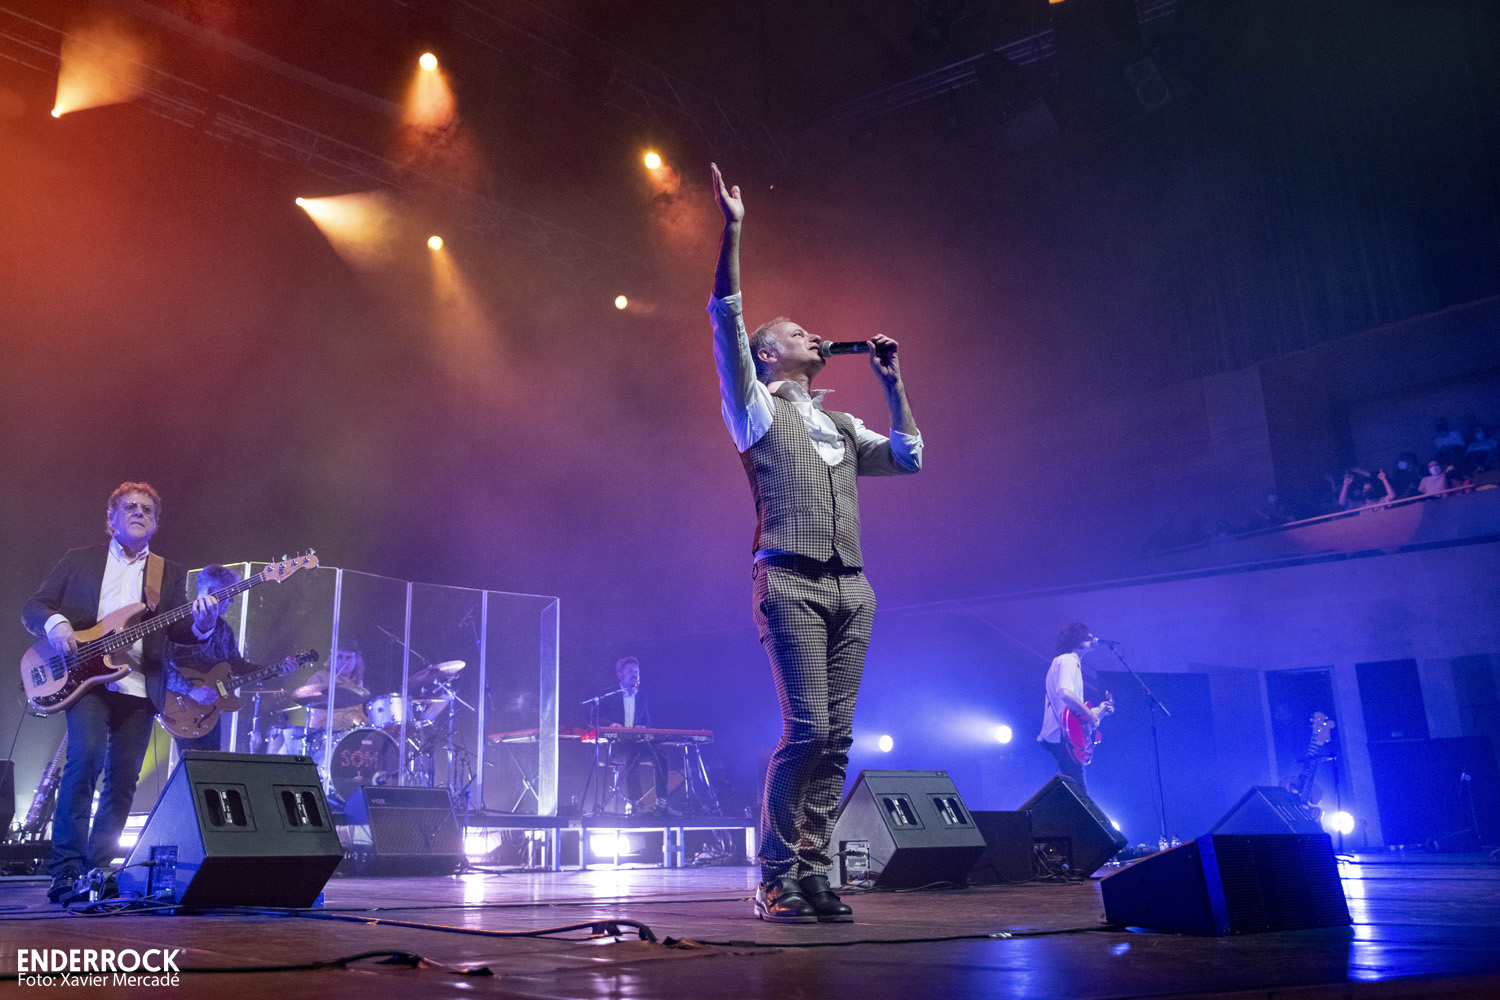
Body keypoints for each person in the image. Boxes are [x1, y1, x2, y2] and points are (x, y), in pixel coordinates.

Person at [708, 163, 924, 924]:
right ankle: (775, 875)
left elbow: (909, 457)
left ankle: (813, 870)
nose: (813, 337)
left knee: (837, 740)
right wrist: (735, 229)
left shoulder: (840, 423)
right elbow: (725, 315)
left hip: (852, 589)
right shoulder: (754, 407)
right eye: (797, 332)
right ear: (768, 355)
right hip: (789, 581)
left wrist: (893, 384)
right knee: (805, 731)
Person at [21, 483, 218, 904]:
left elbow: (178, 629)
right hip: (83, 680)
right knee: (85, 762)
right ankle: (65, 870)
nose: (138, 512)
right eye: (129, 506)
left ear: (156, 522)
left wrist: (203, 624)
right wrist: (57, 624)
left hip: (139, 684)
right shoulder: (80, 560)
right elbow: (33, 608)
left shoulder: (168, 572)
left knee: (123, 781)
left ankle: (98, 868)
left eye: (147, 509)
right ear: (111, 518)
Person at [163, 564, 281, 754]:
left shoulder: (223, 628)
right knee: (191, 765)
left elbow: (236, 665)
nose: (233, 599)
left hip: (209, 712)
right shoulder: (179, 622)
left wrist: (276, 670)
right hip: (181, 707)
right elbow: (159, 664)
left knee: (211, 765)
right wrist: (191, 690)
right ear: (211, 591)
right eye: (230, 593)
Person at [597, 656, 672, 814]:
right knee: (633, 754)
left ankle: (662, 803)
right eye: (630, 671)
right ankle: (635, 803)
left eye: (637, 671)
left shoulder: (642, 697)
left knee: (661, 754)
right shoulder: (609, 695)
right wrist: (611, 725)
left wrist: (642, 728)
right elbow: (594, 719)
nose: (635, 674)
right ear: (620, 675)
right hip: (616, 746)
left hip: (637, 743)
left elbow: (648, 724)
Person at [1038, 623, 1101, 791]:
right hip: (1063, 735)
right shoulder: (1068, 660)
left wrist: (1098, 712)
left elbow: (1072, 709)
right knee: (1079, 792)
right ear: (1075, 639)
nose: (1091, 638)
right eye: (1087, 636)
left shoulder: (1068, 662)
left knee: (1075, 790)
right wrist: (1089, 713)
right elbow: (1064, 692)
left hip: (1065, 734)